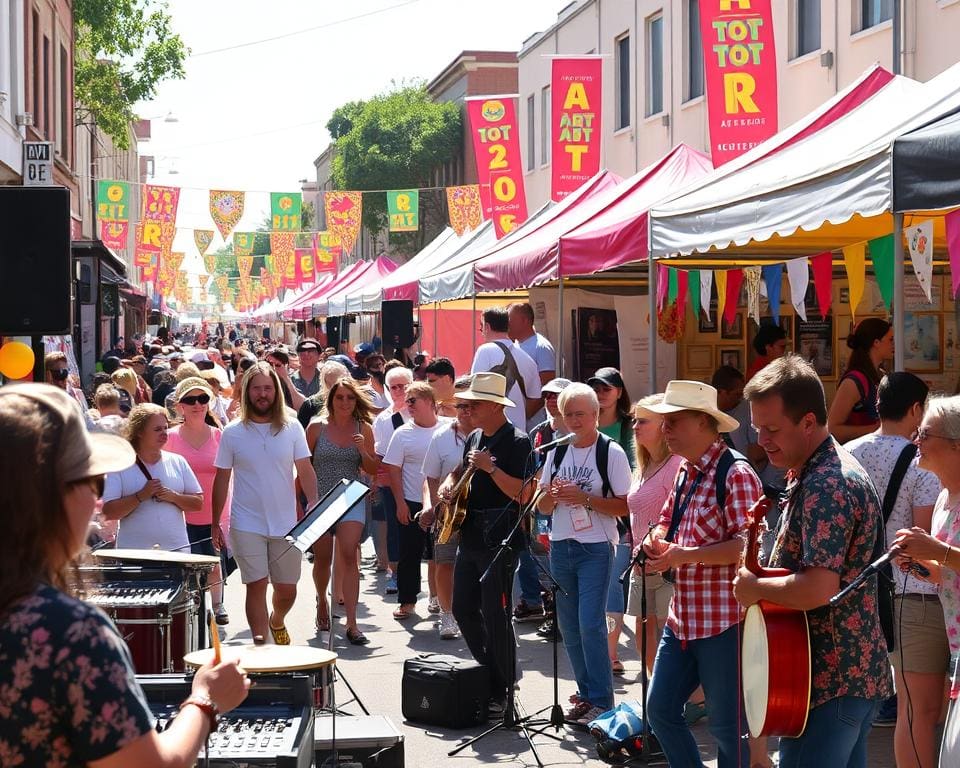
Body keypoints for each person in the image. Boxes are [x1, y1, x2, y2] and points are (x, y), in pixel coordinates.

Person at [0, 384, 250, 767]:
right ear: (52, 496)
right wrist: (206, 700)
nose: (95, 501)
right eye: (90, 482)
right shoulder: (68, 631)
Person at [734, 355, 892, 768]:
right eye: (757, 429)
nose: (763, 440)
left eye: (772, 429)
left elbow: (819, 588)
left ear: (808, 422)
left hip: (831, 680)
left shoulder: (828, 483)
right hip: (826, 678)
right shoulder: (813, 470)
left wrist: (754, 588)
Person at [642, 380, 762, 768]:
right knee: (659, 711)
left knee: (729, 729)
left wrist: (685, 555)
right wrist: (657, 540)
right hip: (685, 619)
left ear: (705, 423)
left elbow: (748, 548)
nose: (665, 429)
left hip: (725, 622)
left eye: (674, 421)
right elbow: (666, 521)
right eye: (665, 421)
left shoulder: (736, 472)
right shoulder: (686, 471)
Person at [845, 372, 944, 764]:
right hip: (912, 592)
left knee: (887, 706)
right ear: (917, 410)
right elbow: (925, 535)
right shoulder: (923, 463)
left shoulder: (848, 452)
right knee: (920, 712)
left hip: (861, 588)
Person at [536, 383, 632, 724]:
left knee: (590, 622)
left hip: (596, 547)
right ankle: (586, 694)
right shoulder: (557, 452)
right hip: (561, 545)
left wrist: (585, 499)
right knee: (569, 625)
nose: (573, 421)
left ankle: (602, 699)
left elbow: (625, 505)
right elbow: (542, 507)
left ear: (595, 415)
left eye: (580, 414)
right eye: (567, 414)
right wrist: (553, 495)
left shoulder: (612, 452)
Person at [212, 362, 319, 645]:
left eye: (268, 388)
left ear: (277, 391)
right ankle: (261, 647)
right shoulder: (232, 432)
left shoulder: (292, 426)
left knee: (287, 590)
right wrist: (215, 523)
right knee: (256, 585)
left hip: (286, 523)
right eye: (257, 388)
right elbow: (221, 480)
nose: (263, 394)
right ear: (247, 392)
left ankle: (277, 619)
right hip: (246, 522)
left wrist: (314, 505)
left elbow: (305, 469)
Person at [445, 372, 534, 715]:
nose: (467, 410)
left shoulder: (518, 441)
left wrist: (491, 470)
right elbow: (461, 473)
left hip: (500, 537)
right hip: (471, 534)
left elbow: (525, 495)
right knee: (462, 608)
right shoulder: (476, 436)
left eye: (474, 404)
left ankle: (503, 688)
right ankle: (496, 674)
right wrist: (448, 487)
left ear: (496, 406)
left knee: (496, 615)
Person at [889, 395, 960, 767]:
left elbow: (948, 558)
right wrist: (919, 563)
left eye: (924, 433)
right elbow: (946, 573)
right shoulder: (944, 499)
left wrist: (935, 550)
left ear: (955, 444)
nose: (915, 440)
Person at [305, 378, 379, 644]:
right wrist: (300, 501)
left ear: (356, 400)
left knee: (349, 553)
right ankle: (321, 602)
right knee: (322, 558)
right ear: (331, 400)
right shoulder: (316, 427)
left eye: (350, 397)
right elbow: (303, 466)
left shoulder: (364, 429)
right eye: (340, 397)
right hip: (322, 498)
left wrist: (362, 450)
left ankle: (352, 622)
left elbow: (372, 470)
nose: (345, 402)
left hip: (350, 497)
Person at [165, 377, 232, 625]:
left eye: (203, 399)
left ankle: (218, 604)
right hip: (180, 514)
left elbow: (230, 476)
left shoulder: (219, 436)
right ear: (180, 405)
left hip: (214, 513)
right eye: (190, 400)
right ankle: (191, 608)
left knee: (215, 563)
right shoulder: (170, 438)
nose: (197, 404)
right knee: (188, 566)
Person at [625, 394, 683, 677]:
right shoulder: (643, 465)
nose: (635, 425)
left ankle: (686, 703)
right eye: (634, 419)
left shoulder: (677, 465)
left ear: (663, 425)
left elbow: (680, 517)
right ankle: (657, 701)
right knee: (643, 638)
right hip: (639, 566)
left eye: (643, 420)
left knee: (669, 641)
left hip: (667, 566)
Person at [383, 382, 450, 619]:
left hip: (446, 502)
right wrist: (400, 504)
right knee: (409, 554)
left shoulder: (449, 428)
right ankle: (407, 600)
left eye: (413, 400)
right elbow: (393, 470)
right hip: (412, 501)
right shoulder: (402, 434)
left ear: (430, 402)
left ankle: (442, 600)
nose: (408, 405)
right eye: (407, 401)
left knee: (441, 555)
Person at [586, 366, 636, 676]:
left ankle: (610, 653)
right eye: (596, 387)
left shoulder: (630, 428)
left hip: (618, 518)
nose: (601, 393)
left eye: (607, 387)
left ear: (619, 391)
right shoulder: (583, 426)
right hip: (582, 520)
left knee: (612, 589)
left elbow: (635, 472)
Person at [102, 403, 202, 551]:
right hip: (134, 556)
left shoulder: (178, 461)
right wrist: (140, 496)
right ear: (139, 432)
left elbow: (198, 503)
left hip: (177, 552)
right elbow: (109, 512)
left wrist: (174, 497)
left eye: (165, 428)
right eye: (157, 429)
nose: (164, 433)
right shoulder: (119, 465)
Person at [420, 375, 475, 639]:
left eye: (469, 405)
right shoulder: (441, 436)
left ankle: (475, 614)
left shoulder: (490, 434)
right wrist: (431, 506)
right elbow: (430, 477)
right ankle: (447, 615)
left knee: (477, 564)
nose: (465, 411)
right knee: (444, 563)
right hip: (449, 512)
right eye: (460, 405)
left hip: (481, 511)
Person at [515, 377, 572, 626]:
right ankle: (542, 604)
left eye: (556, 396)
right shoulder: (538, 433)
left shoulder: (576, 432)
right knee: (536, 552)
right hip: (539, 505)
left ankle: (558, 610)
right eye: (547, 395)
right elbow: (529, 470)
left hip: (568, 505)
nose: (550, 400)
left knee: (555, 556)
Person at [373, 366, 414, 595]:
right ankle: (395, 573)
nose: (398, 391)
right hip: (392, 482)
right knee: (394, 530)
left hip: (418, 481)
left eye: (403, 385)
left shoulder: (422, 412)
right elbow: (380, 454)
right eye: (394, 387)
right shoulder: (383, 419)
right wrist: (379, 479)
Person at [471, 306, 542, 431]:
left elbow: (475, 392)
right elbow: (535, 397)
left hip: (491, 431)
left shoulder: (484, 351)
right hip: (518, 433)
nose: (482, 331)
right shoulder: (528, 359)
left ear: (487, 327)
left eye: (481, 327)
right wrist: (518, 414)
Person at [828, 318, 894, 443]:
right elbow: (832, 429)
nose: (894, 344)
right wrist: (877, 429)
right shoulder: (853, 382)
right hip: (857, 457)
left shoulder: (880, 375)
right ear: (876, 342)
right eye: (890, 339)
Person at [508, 301, 556, 425]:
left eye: (510, 320)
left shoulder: (541, 347)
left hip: (533, 421)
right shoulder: (514, 346)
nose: (507, 324)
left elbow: (546, 387)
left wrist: (525, 415)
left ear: (524, 321)